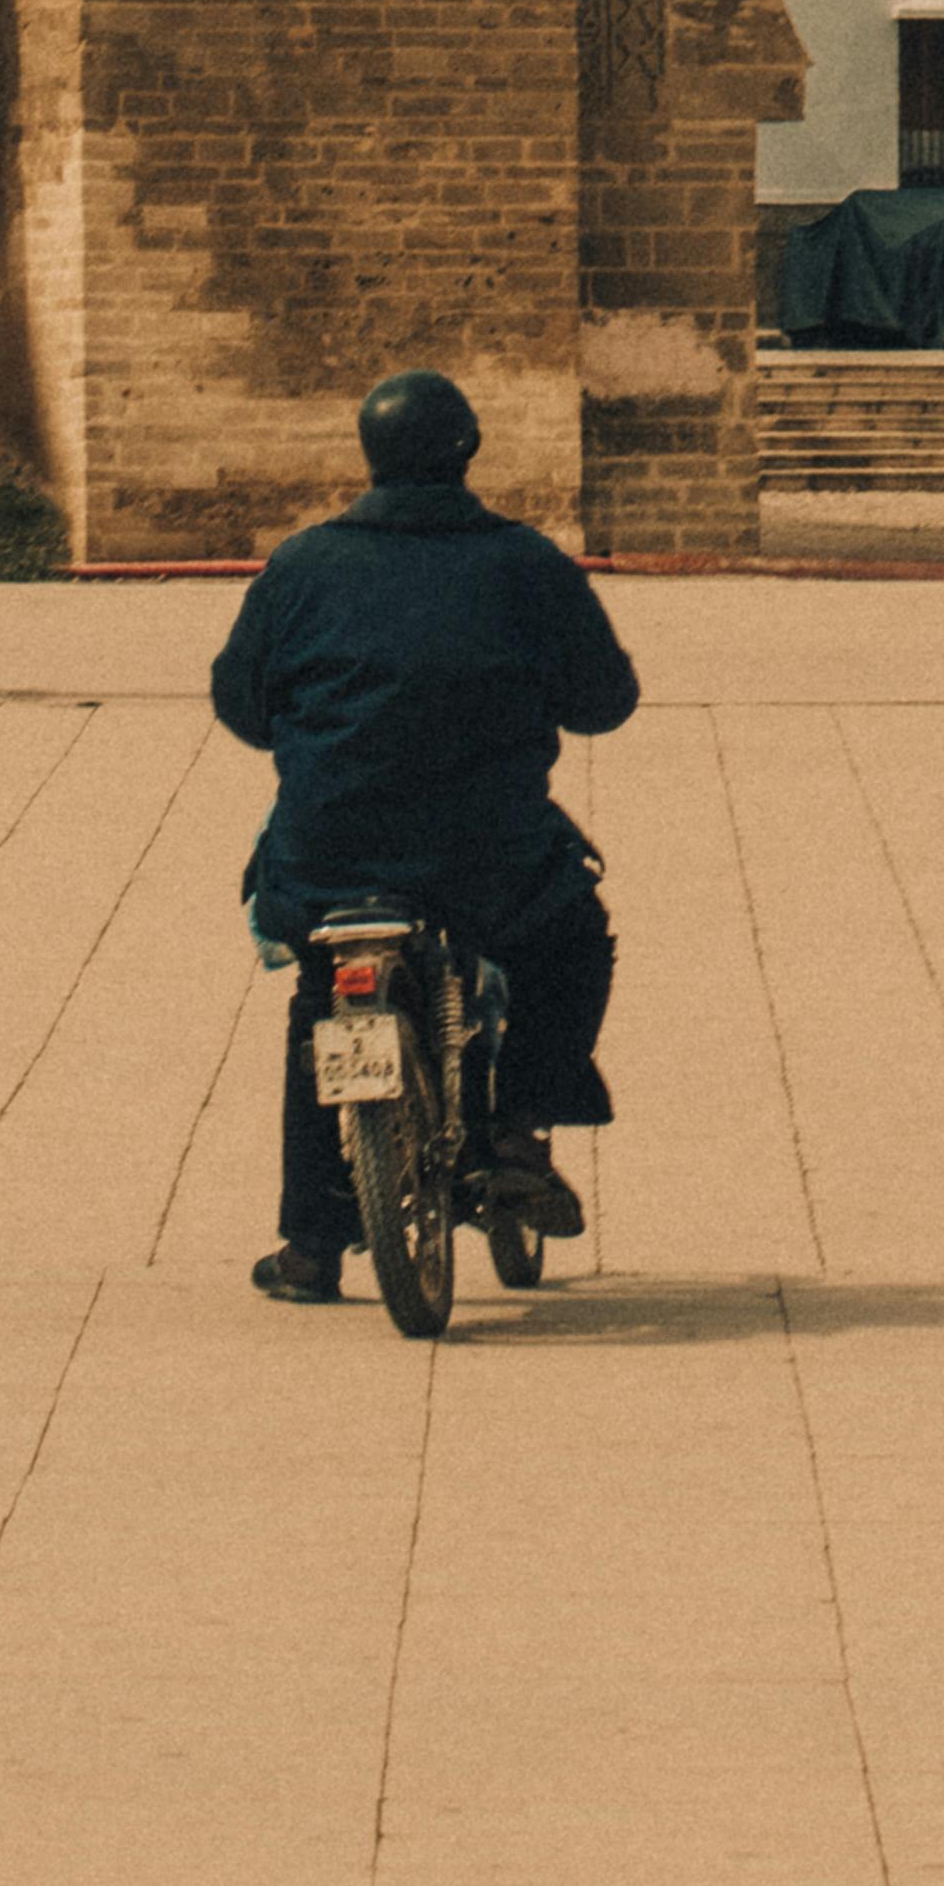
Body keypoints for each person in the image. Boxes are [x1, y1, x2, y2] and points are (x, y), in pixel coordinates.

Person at [211, 368, 640, 1307]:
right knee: (572, 944)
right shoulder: (526, 564)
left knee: (319, 1001)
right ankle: (521, 1127)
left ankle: (311, 1248)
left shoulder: (302, 565)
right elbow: (605, 701)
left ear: (367, 454)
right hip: (488, 856)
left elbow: (241, 706)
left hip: (328, 856)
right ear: (468, 451)